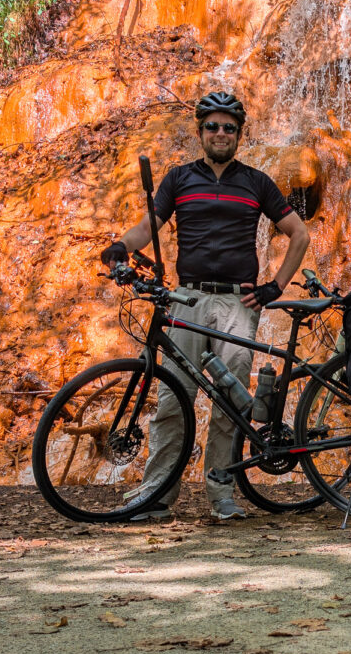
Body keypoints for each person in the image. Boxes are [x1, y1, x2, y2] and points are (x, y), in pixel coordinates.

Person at [101, 91, 310, 520]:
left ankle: (221, 494)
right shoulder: (179, 179)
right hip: (187, 298)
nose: (220, 133)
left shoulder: (256, 182)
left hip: (238, 303)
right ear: (200, 132)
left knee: (230, 402)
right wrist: (121, 247)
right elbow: (149, 227)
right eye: (212, 126)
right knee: (172, 398)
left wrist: (275, 286)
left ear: (238, 134)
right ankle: (157, 494)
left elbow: (299, 234)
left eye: (228, 128)